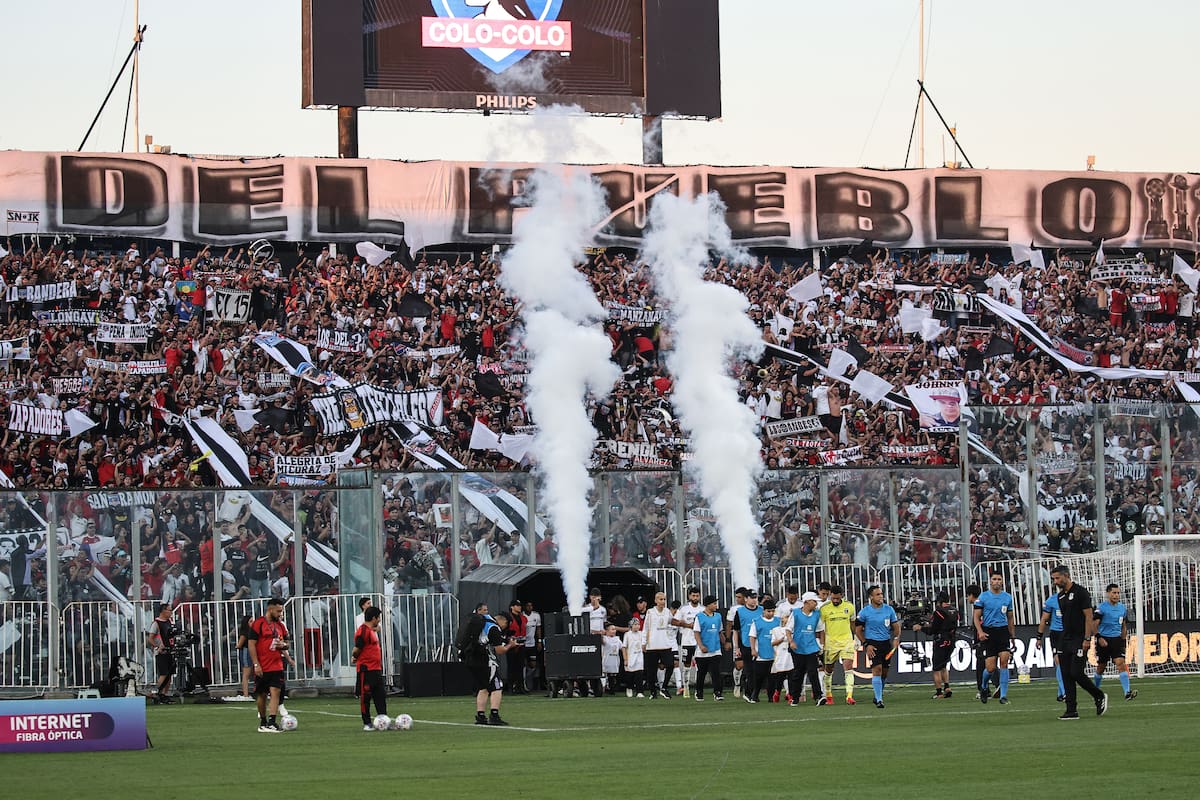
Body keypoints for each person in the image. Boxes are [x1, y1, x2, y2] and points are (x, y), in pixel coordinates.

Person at [1050, 565, 1108, 720]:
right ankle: (1071, 710)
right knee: (1066, 674)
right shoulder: (1060, 596)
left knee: (1076, 672)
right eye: (1053, 579)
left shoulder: (1081, 592)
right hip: (1065, 639)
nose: (1055, 581)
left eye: (1057, 578)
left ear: (1066, 576)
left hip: (1079, 639)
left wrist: (1087, 638)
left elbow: (1088, 617)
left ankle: (1099, 695)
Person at [457, 604, 516, 725]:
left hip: (471, 658)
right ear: (503, 620)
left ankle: (480, 716)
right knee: (497, 686)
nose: (504, 627)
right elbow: (500, 650)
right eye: (506, 624)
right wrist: (510, 645)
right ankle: (494, 715)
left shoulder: (481, 622)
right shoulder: (493, 627)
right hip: (486, 661)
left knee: (483, 688)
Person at [248, 597, 294, 733]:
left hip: (277, 664)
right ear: (270, 609)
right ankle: (263, 722)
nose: (280, 614)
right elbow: (251, 644)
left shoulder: (280, 625)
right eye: (278, 611)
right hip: (263, 665)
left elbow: (287, 643)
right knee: (261, 694)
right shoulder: (259, 624)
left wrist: (283, 645)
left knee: (276, 692)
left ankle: (272, 722)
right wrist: (256, 664)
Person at [974, 571, 1016, 705]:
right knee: (990, 668)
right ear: (990, 582)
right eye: (994, 579)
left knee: (1004, 662)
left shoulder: (1007, 597)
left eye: (999, 579)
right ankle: (984, 687)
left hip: (1002, 631)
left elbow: (1010, 617)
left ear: (1002, 582)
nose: (997, 581)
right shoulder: (983, 597)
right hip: (989, 632)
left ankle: (1003, 695)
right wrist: (980, 632)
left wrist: (1012, 635)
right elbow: (976, 616)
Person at [854, 585, 900, 709]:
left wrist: (896, 639)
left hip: (886, 643)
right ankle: (879, 700)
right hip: (872, 644)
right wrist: (866, 644)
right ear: (871, 597)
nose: (881, 597)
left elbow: (896, 627)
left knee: (884, 672)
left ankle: (877, 695)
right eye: (878, 594)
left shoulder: (889, 610)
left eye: (881, 594)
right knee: (877, 669)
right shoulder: (865, 612)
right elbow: (857, 630)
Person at [1094, 583, 1137, 700]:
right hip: (1103, 640)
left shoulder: (1122, 608)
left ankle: (1127, 692)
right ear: (1108, 594)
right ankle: (1095, 692)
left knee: (1121, 663)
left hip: (1116, 640)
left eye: (1118, 593)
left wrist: (1123, 639)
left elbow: (1123, 625)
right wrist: (1099, 637)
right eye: (1114, 593)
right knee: (1101, 667)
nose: (1116, 595)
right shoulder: (1101, 608)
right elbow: (1094, 625)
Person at [915, 591, 959, 699]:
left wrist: (921, 628)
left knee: (936, 668)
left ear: (939, 601)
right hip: (951, 640)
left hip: (941, 641)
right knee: (943, 665)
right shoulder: (955, 611)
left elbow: (933, 630)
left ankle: (939, 692)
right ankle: (947, 687)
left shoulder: (939, 612)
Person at [818, 584, 857, 705]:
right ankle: (829, 695)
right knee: (828, 670)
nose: (835, 600)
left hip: (846, 641)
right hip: (831, 643)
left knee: (848, 667)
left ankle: (849, 696)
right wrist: (822, 643)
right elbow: (821, 628)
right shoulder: (824, 609)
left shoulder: (849, 607)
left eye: (837, 598)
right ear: (831, 596)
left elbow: (852, 623)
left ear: (842, 596)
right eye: (833, 598)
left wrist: (855, 637)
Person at [352, 606, 388, 731]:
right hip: (366, 669)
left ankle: (383, 720)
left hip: (376, 668)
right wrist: (354, 657)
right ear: (374, 618)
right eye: (378, 618)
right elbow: (357, 648)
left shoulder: (370, 630)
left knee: (380, 695)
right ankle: (367, 723)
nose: (379, 620)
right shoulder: (363, 631)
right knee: (365, 697)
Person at [788, 591, 825, 706]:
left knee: (813, 672)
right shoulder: (795, 613)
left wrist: (822, 645)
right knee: (798, 674)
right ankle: (795, 697)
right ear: (807, 602)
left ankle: (819, 696)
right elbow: (788, 629)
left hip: (811, 647)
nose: (816, 604)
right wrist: (791, 642)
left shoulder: (817, 614)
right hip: (798, 648)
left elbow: (820, 630)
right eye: (814, 602)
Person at [747, 599, 783, 704]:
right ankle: (755, 695)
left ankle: (771, 697)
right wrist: (753, 649)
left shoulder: (777, 621)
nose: (771, 613)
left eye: (773, 611)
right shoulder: (757, 621)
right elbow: (752, 636)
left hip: (774, 654)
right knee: (759, 677)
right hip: (761, 654)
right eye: (769, 611)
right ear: (764, 611)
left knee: (772, 677)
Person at [691, 594, 725, 701]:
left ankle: (717, 692)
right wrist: (701, 645)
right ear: (708, 605)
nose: (716, 605)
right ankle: (699, 692)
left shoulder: (718, 616)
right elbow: (696, 633)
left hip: (715, 649)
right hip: (703, 651)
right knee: (702, 673)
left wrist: (725, 641)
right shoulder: (699, 617)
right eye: (714, 603)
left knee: (716, 672)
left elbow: (720, 631)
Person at [732, 589, 763, 701]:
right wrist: (736, 647)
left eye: (755, 598)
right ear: (746, 599)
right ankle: (749, 693)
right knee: (750, 670)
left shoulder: (762, 610)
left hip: (760, 645)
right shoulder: (739, 612)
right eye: (752, 597)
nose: (754, 600)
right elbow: (736, 630)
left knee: (758, 671)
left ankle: (753, 692)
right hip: (746, 644)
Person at [671, 587, 703, 696]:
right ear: (689, 596)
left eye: (697, 595)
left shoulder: (702, 609)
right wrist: (687, 625)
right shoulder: (683, 609)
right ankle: (686, 687)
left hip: (699, 642)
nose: (695, 598)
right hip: (687, 641)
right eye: (693, 595)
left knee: (700, 665)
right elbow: (674, 621)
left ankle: (699, 688)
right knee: (687, 665)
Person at [643, 592, 675, 699]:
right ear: (656, 601)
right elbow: (646, 628)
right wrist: (644, 642)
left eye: (664, 599)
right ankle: (653, 692)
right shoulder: (650, 612)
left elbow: (672, 622)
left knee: (670, 665)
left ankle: (664, 687)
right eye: (660, 599)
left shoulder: (667, 612)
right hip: (652, 645)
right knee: (651, 670)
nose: (663, 602)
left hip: (665, 644)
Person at [1037, 587, 1067, 702]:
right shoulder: (1052, 600)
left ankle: (1060, 693)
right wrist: (1039, 637)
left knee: (1067, 664)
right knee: (1059, 661)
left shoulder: (1074, 599)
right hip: (1057, 634)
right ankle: (1065, 693)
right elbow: (1044, 619)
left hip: (1070, 634)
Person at [147, 603, 178, 702]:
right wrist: (157, 646)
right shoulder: (156, 623)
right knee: (164, 674)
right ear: (163, 611)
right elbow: (150, 638)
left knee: (169, 674)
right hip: (161, 652)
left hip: (170, 650)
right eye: (169, 610)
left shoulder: (169, 622)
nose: (171, 612)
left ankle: (165, 694)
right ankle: (157, 693)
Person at [724, 587, 748, 696]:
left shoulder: (753, 608)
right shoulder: (734, 609)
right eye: (736, 597)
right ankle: (737, 685)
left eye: (739, 597)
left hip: (751, 638)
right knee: (739, 665)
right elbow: (729, 624)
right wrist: (728, 640)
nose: (737, 599)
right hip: (738, 638)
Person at [505, 599, 527, 694]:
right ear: (512, 607)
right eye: (517, 605)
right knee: (511, 666)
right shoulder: (508, 617)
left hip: (521, 644)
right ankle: (510, 687)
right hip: (511, 644)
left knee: (520, 666)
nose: (519, 607)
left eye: (519, 605)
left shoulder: (523, 617)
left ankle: (520, 687)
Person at [622, 616, 646, 698]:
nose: (637, 626)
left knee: (639, 674)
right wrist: (625, 659)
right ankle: (629, 688)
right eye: (635, 624)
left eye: (638, 624)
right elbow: (624, 647)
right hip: (630, 657)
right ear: (631, 626)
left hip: (639, 657)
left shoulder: (641, 634)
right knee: (630, 676)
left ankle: (640, 691)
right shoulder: (627, 635)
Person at [234, 614, 254, 700]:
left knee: (249, 674)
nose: (253, 623)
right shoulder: (245, 633)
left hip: (250, 652)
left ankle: (249, 693)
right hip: (246, 652)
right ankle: (245, 694)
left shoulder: (251, 631)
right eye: (250, 621)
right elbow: (239, 645)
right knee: (246, 674)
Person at [601, 623, 622, 695]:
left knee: (612, 675)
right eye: (612, 629)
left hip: (615, 659)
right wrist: (601, 634)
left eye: (615, 629)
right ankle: (603, 688)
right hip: (606, 659)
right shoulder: (604, 638)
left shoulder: (617, 639)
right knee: (605, 673)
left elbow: (622, 647)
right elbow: (603, 642)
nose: (614, 631)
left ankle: (612, 690)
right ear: (607, 631)